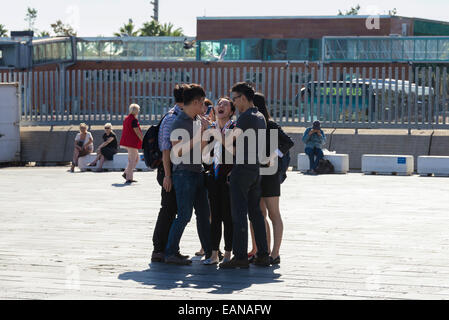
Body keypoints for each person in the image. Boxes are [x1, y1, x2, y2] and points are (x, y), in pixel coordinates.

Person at [219, 82, 270, 269]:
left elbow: (229, 142)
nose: (233, 103)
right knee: (256, 213)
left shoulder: (245, 118)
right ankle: (263, 254)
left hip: (242, 169)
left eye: (234, 98)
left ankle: (240, 256)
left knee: (239, 213)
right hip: (255, 170)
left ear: (242, 98)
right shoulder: (260, 117)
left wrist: (216, 134)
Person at [164, 84, 212, 265]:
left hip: (198, 171)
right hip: (183, 174)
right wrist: (199, 135)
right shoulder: (178, 122)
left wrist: (206, 133)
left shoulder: (197, 121)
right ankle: (170, 252)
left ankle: (210, 252)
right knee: (184, 215)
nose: (205, 108)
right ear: (196, 102)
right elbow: (177, 151)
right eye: (202, 104)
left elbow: (202, 150)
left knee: (204, 213)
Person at [248, 92, 294, 265]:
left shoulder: (270, 125)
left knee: (274, 214)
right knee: (259, 214)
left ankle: (275, 253)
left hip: (270, 175)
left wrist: (272, 156)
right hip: (254, 175)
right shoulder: (248, 126)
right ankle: (262, 251)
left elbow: (289, 142)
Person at [151, 84, 186, 263]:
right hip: (169, 169)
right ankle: (159, 248)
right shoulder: (173, 118)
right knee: (168, 208)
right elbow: (166, 149)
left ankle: (167, 247)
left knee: (173, 209)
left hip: (173, 170)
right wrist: (167, 175)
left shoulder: (179, 116)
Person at [203, 97, 236, 265]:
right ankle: (214, 253)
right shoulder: (211, 128)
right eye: (219, 104)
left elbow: (237, 151)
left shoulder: (235, 128)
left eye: (225, 104)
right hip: (214, 177)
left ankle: (229, 253)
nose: (221, 106)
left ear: (231, 111)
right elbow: (203, 151)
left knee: (228, 217)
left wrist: (219, 137)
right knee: (214, 216)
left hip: (229, 179)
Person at [119, 104, 143, 184]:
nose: (139, 111)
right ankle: (128, 177)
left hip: (128, 141)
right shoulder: (133, 120)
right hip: (131, 142)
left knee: (136, 159)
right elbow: (137, 131)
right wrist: (143, 140)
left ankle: (127, 173)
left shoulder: (127, 119)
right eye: (138, 110)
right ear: (136, 111)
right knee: (132, 160)